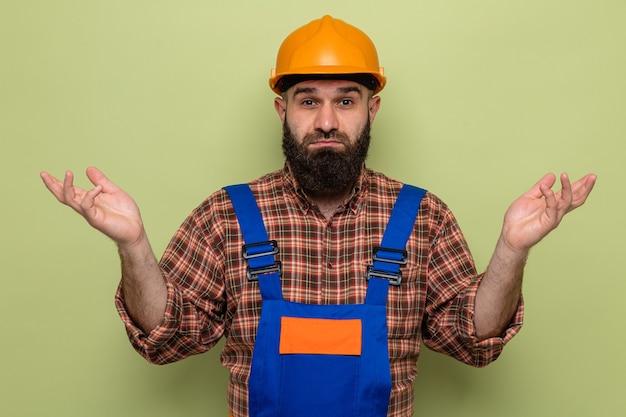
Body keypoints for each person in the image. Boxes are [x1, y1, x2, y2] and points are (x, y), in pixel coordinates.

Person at [40, 15, 596, 417]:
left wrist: (511, 250)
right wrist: (133, 245)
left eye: (346, 100)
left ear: (371, 108)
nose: (327, 121)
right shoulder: (226, 215)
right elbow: (168, 340)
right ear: (282, 109)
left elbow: (472, 342)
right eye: (308, 99)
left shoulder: (422, 216)